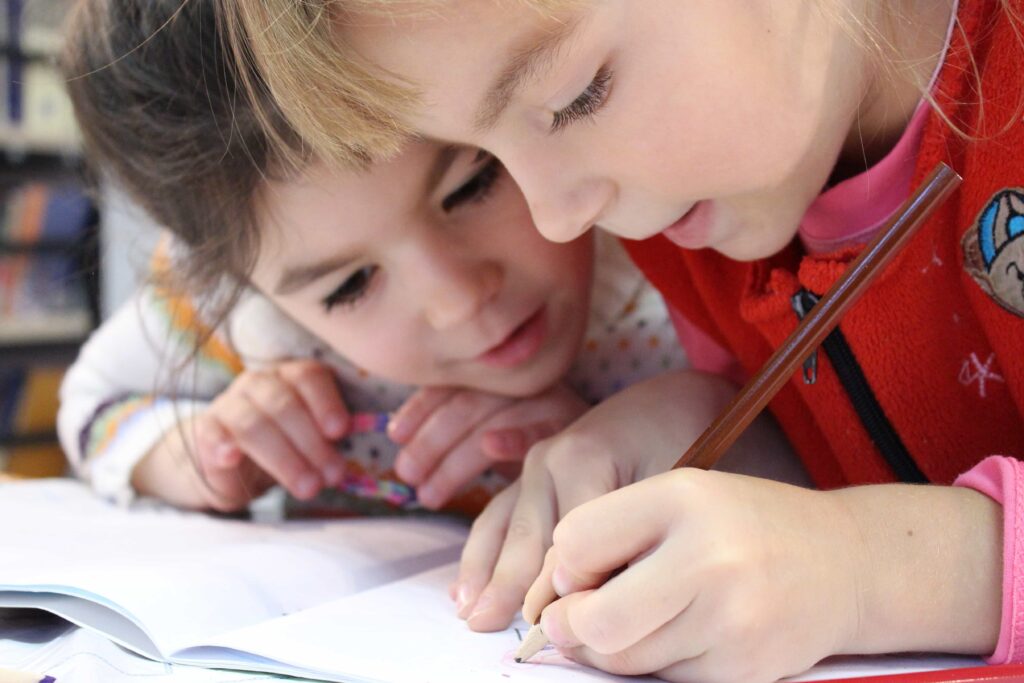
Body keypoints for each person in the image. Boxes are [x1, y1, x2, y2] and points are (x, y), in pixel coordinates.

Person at [215, 1, 1024, 680]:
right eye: (489, 153)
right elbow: (871, 456)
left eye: (575, 98)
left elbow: (862, 538)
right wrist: (708, 433)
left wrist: (864, 569)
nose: (555, 217)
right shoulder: (694, 219)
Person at [58, 0, 788, 524]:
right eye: (350, 287)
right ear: (245, 288)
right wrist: (195, 455)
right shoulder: (243, 323)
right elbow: (91, 403)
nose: (458, 299)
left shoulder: (662, 233)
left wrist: (667, 431)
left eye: (472, 184)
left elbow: (819, 462)